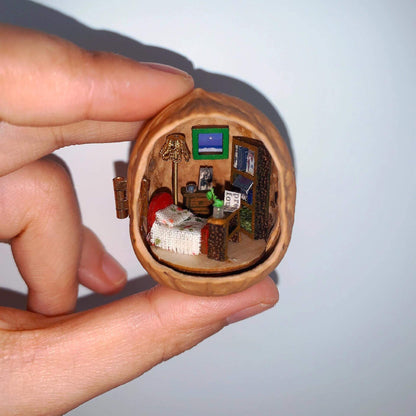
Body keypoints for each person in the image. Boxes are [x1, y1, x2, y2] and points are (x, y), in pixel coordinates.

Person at [0, 24, 279, 415]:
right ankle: (202, 234)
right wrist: (183, 205)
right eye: (166, 208)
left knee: (208, 213)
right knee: (202, 219)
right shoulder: (166, 209)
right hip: (178, 212)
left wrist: (204, 201)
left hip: (188, 208)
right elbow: (178, 202)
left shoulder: (197, 200)